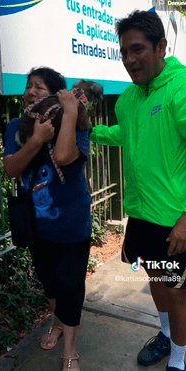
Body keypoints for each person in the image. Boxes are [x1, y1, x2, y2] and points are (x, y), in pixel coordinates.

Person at [90, 10, 186, 371]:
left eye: (137, 49)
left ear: (160, 46)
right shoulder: (128, 99)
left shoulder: (181, 88)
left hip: (176, 219)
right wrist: (91, 131)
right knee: (157, 279)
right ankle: (166, 335)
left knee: (178, 293)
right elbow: (124, 134)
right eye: (124, 52)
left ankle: (179, 361)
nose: (129, 60)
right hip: (142, 215)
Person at [3, 67, 92, 371]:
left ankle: (69, 350)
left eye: (39, 88)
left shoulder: (77, 121)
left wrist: (68, 111)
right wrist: (36, 139)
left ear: (56, 94)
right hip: (35, 225)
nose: (31, 92)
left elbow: (65, 156)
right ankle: (57, 323)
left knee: (70, 287)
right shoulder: (18, 126)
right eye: (29, 86)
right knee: (50, 285)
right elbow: (10, 169)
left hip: (71, 225)